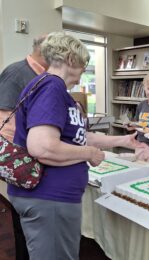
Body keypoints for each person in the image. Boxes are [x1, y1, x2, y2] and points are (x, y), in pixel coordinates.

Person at [7, 32, 143, 260]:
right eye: (84, 64)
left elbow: (77, 137)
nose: (83, 73)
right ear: (71, 59)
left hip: (53, 198)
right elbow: (43, 147)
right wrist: (89, 154)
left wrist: (123, 141)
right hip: (49, 198)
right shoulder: (51, 87)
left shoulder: (49, 86)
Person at [0, 34, 48, 260]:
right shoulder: (17, 73)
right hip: (24, 166)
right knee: (25, 226)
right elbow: (5, 127)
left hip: (36, 163)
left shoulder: (44, 77)